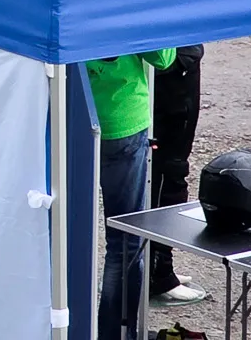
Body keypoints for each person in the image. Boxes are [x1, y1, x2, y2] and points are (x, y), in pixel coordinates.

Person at [88, 47, 177, 340]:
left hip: (74, 115)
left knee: (68, 236)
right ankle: (116, 334)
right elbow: (163, 58)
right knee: (124, 243)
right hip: (123, 121)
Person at [148, 45, 210, 305]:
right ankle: (157, 274)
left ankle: (160, 267)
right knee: (163, 181)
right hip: (166, 96)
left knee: (172, 177)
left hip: (180, 92)